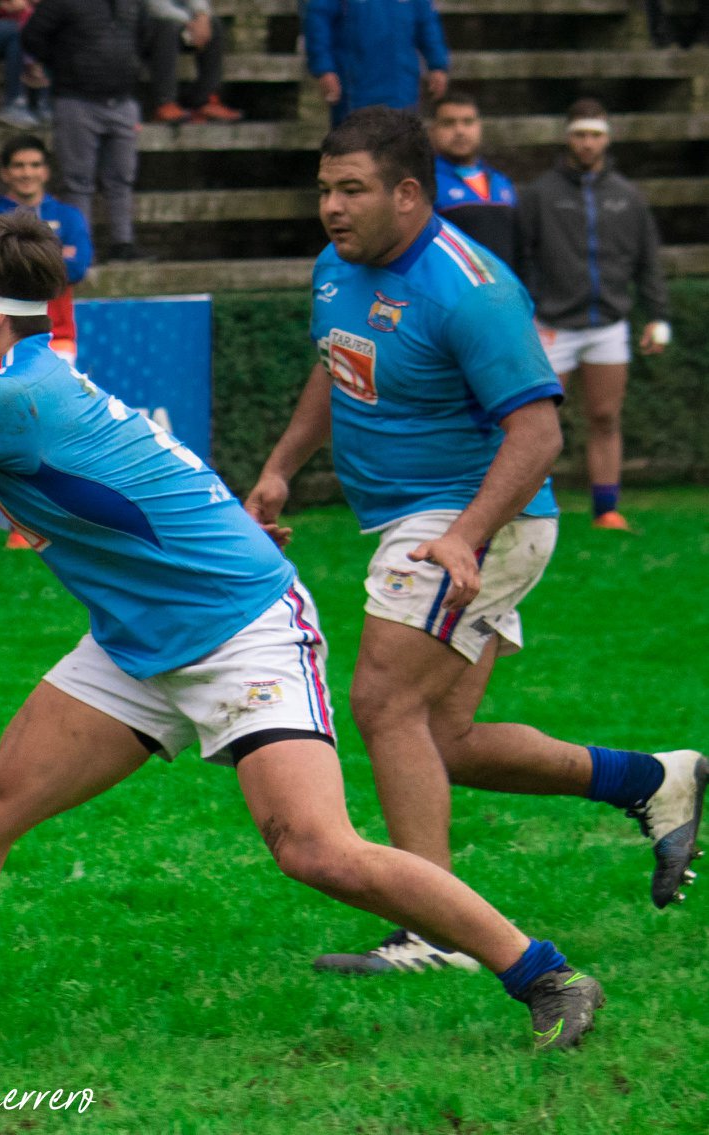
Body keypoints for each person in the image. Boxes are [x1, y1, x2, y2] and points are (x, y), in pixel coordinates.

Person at [0, 207, 609, 1051]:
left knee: (315, 849)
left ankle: (545, 974)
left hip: (240, 630)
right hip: (139, 640)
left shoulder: (7, 395)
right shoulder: (4, 380)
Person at [244, 108, 704, 977]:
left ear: (409, 193)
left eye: (353, 191)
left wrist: (463, 536)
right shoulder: (338, 267)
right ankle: (652, 780)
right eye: (324, 191)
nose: (332, 209)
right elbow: (333, 363)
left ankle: (433, 933)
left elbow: (537, 435)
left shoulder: (474, 289)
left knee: (383, 702)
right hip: (427, 519)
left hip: (476, 518)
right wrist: (279, 468)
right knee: (441, 738)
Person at [517, 99, 671, 533]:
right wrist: (526, 311)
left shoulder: (627, 196)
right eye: (581, 134)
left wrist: (658, 318)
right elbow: (521, 257)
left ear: (608, 138)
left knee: (605, 416)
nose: (588, 143)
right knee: (538, 421)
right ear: (568, 136)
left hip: (609, 325)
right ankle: (528, 508)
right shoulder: (539, 195)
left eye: (596, 134)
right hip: (550, 323)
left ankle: (606, 509)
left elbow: (649, 263)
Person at [23, 0, 148, 261]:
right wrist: (63, 63)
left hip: (123, 100)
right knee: (78, 180)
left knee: (123, 177)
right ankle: (81, 248)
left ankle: (123, 244)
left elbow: (143, 35)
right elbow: (32, 35)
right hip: (76, 100)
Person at [0, 133, 91, 363]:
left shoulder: (68, 216)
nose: (27, 173)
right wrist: (52, 257)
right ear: (5, 173)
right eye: (19, 166)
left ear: (46, 172)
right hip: (0, 340)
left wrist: (12, 259)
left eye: (34, 165)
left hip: (57, 338)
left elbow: (77, 268)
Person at [304, 0, 449, 125]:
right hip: (355, 85)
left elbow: (428, 23)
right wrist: (324, 69)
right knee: (354, 142)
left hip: (401, 84)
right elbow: (318, 22)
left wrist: (437, 65)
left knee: (402, 138)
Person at [429, 91, 518, 269]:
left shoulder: (503, 183)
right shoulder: (426, 184)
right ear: (432, 131)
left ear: (479, 127)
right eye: (449, 123)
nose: (460, 131)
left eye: (468, 122)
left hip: (502, 291)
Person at [143, 0, 242, 124]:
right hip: (146, 24)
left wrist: (202, 15)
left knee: (213, 25)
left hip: (178, 21)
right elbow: (153, 7)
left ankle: (205, 100)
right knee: (167, 28)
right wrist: (189, 22)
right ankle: (165, 103)